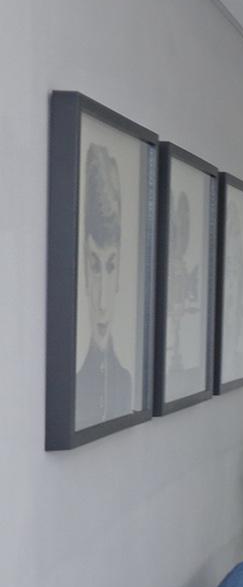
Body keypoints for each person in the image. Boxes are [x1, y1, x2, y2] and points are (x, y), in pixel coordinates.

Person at [76, 142, 135, 424]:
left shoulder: (125, 382)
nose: (101, 302)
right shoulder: (74, 385)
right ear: (84, 275)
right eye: (94, 267)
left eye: (110, 266)